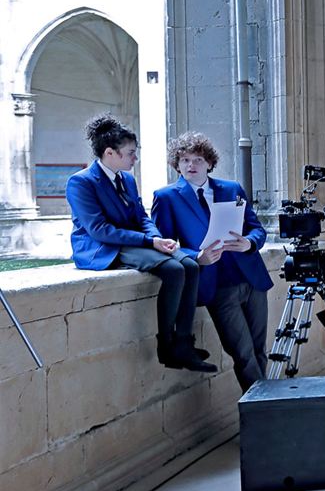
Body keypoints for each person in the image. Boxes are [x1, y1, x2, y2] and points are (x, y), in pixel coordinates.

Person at [66, 114, 216, 373]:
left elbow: (141, 217)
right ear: (110, 153)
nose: (135, 158)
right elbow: (99, 230)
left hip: (134, 240)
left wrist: (158, 238)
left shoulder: (127, 179)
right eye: (131, 153)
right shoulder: (81, 182)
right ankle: (166, 346)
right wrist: (150, 240)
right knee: (173, 269)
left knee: (190, 265)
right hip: (103, 247)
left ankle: (183, 343)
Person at [151, 132, 273, 392]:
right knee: (242, 352)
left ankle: (264, 411)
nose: (191, 165)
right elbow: (165, 244)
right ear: (177, 164)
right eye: (184, 160)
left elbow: (257, 229)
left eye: (197, 159)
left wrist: (248, 242)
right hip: (216, 286)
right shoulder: (166, 197)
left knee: (260, 349)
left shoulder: (232, 189)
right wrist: (197, 256)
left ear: (209, 163)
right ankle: (268, 413)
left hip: (251, 277)